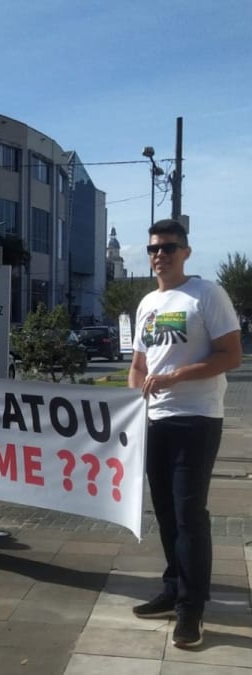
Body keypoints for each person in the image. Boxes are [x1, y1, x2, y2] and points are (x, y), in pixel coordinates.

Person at [128, 219, 241, 649]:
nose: (160, 255)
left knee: (189, 513)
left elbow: (231, 355)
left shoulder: (207, 294)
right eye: (153, 248)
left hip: (197, 418)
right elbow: (138, 365)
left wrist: (176, 376)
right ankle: (173, 587)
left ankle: (191, 609)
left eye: (169, 248)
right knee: (165, 512)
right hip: (155, 421)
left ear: (186, 252)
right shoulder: (147, 303)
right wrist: (132, 405)